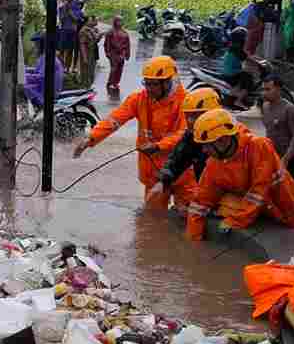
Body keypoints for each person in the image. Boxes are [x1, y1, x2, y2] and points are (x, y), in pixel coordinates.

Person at [185, 108, 294, 241]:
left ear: (223, 140)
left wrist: (235, 221)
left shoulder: (259, 147)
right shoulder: (215, 163)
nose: (204, 150)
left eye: (207, 145)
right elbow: (200, 202)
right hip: (266, 214)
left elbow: (259, 191)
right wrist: (193, 238)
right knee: (225, 206)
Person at [73, 56, 187, 208]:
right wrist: (91, 138)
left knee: (187, 214)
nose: (149, 88)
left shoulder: (186, 103)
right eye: (147, 83)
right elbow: (114, 120)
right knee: (151, 215)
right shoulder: (139, 99)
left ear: (167, 83)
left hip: (182, 172)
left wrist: (158, 146)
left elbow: (185, 135)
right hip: (153, 172)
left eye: (153, 84)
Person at [149, 86, 221, 209]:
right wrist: (162, 181)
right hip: (208, 194)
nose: (190, 121)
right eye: (188, 116)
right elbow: (177, 159)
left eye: (195, 116)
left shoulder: (229, 138)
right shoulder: (192, 135)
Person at [259, 75, 294, 178]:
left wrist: (286, 158)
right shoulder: (265, 107)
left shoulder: (290, 109)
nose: (264, 93)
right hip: (273, 155)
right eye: (263, 89)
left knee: (287, 185)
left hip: (291, 158)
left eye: (268, 89)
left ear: (278, 90)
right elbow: (269, 131)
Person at [220, 27, 258, 109]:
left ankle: (237, 92)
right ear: (241, 39)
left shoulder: (233, 47)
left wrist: (258, 59)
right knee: (248, 78)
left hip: (228, 71)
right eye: (245, 38)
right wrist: (259, 64)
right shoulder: (237, 49)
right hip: (232, 73)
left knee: (245, 73)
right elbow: (248, 59)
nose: (246, 39)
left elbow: (248, 56)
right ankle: (238, 101)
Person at [23, 37, 64, 111]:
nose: (34, 47)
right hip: (44, 86)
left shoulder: (48, 58)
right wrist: (24, 70)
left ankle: (37, 109)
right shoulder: (45, 56)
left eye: (36, 45)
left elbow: (41, 77)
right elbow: (37, 70)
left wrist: (24, 76)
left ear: (42, 46)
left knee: (23, 87)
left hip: (47, 91)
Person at [103, 15, 131, 98]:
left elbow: (127, 45)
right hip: (113, 53)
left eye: (121, 21)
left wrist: (127, 54)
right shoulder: (110, 32)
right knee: (114, 68)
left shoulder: (125, 33)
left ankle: (116, 82)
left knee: (120, 68)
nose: (120, 23)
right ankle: (110, 82)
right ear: (115, 22)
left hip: (122, 53)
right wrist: (107, 52)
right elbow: (107, 43)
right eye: (118, 21)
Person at [55, 0, 78, 72]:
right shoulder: (62, 7)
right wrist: (66, 10)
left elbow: (77, 19)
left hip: (73, 30)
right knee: (61, 50)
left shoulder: (76, 7)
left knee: (70, 50)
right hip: (64, 29)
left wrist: (70, 12)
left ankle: (68, 68)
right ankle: (62, 66)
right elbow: (61, 19)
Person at [77, 15, 101, 84]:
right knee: (86, 70)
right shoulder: (83, 31)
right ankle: (85, 84)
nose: (92, 21)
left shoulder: (91, 30)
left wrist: (99, 36)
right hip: (86, 53)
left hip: (92, 52)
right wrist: (84, 57)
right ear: (86, 22)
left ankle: (89, 84)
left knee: (91, 70)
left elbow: (95, 41)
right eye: (90, 20)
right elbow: (82, 45)